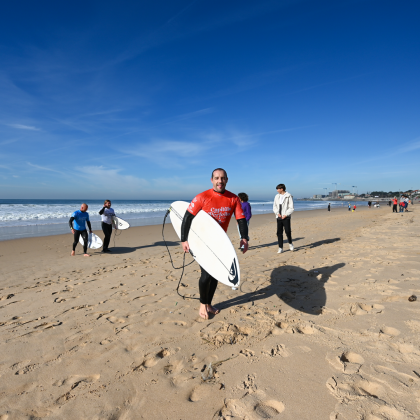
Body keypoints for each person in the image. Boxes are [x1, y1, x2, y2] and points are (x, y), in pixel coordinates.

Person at [180, 168, 248, 320]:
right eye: (217, 178)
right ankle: (203, 304)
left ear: (227, 180)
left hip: (220, 242)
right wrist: (184, 239)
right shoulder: (202, 197)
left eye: (222, 178)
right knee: (206, 275)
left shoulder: (233, 198)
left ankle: (208, 303)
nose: (220, 181)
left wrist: (244, 238)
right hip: (202, 243)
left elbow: (241, 219)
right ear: (212, 180)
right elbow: (187, 218)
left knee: (215, 275)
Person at [273, 183, 294, 253]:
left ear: (282, 189)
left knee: (288, 231)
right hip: (278, 217)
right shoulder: (276, 196)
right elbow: (274, 206)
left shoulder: (288, 196)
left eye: (278, 189)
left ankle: (290, 243)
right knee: (279, 233)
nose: (277, 191)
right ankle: (280, 247)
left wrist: (286, 214)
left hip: (286, 217)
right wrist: (277, 213)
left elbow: (291, 208)